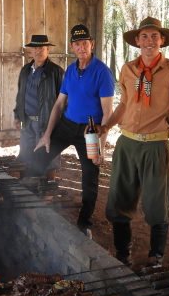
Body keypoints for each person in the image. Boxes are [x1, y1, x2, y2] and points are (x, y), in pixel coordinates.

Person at [93, 17, 169, 264]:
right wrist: (106, 125)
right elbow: (125, 104)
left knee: (157, 206)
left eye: (154, 36)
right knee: (118, 201)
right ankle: (122, 255)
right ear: (137, 41)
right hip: (127, 144)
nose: (149, 41)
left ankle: (155, 258)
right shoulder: (128, 69)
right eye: (145, 37)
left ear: (162, 41)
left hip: (155, 146)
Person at [30, 25, 115, 238]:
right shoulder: (70, 70)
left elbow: (107, 111)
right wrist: (48, 134)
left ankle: (84, 222)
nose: (81, 48)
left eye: (85, 43)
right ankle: (34, 206)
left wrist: (101, 147)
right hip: (67, 125)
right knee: (38, 158)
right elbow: (59, 105)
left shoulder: (102, 72)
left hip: (91, 131)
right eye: (77, 44)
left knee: (90, 177)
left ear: (91, 44)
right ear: (72, 47)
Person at [13, 35, 64, 181]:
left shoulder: (56, 72)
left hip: (47, 124)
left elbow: (64, 101)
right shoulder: (25, 70)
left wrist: (60, 124)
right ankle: (26, 187)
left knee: (48, 158)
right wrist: (18, 115)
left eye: (41, 48)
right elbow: (20, 94)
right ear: (31, 50)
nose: (38, 51)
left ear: (47, 49)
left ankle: (48, 193)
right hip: (27, 122)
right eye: (35, 48)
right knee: (25, 156)